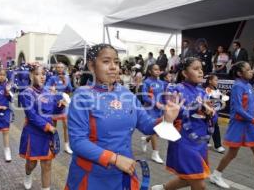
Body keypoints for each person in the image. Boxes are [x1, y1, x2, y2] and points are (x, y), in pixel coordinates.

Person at [64, 44, 183, 190]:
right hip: (91, 178)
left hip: (123, 175)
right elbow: (77, 142)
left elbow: (146, 125)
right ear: (91, 65)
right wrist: (114, 159)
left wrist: (166, 119)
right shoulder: (82, 96)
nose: (114, 67)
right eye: (106, 61)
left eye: (116, 62)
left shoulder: (126, 94)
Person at [152, 57, 216, 190]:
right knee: (199, 184)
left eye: (201, 69)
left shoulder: (202, 91)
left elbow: (212, 117)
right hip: (184, 141)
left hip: (200, 142)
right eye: (195, 69)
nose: (200, 72)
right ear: (185, 73)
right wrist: (196, 108)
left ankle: (161, 189)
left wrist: (211, 113)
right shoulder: (175, 89)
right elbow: (172, 113)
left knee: (188, 178)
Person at [209, 61, 254, 189]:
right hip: (238, 125)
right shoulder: (238, 86)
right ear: (239, 73)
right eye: (248, 69)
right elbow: (238, 108)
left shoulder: (248, 85)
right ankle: (216, 175)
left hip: (249, 125)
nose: (251, 71)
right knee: (232, 154)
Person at [19, 64, 66, 190]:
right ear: (31, 75)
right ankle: (28, 174)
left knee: (47, 165)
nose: (42, 77)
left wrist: (60, 105)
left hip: (47, 134)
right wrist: (47, 126)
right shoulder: (26, 93)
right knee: (31, 164)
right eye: (38, 74)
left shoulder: (47, 91)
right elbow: (32, 115)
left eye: (43, 74)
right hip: (33, 133)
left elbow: (52, 110)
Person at [46, 62, 74, 154]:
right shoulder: (52, 78)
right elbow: (46, 88)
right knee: (53, 125)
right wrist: (53, 90)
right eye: (58, 67)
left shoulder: (67, 78)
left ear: (64, 68)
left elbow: (70, 89)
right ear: (55, 69)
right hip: (54, 104)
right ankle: (52, 143)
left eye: (61, 67)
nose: (60, 69)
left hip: (64, 104)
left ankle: (66, 145)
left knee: (66, 125)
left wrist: (67, 83)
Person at [141, 64, 166, 164]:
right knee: (154, 130)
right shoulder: (146, 82)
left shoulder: (162, 82)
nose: (157, 71)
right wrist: (155, 103)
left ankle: (146, 139)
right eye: (155, 69)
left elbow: (163, 96)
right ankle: (155, 153)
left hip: (160, 110)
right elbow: (144, 97)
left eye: (159, 69)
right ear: (150, 71)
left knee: (158, 131)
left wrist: (165, 105)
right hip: (150, 109)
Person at [204, 74, 226, 153]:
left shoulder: (217, 90)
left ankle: (206, 141)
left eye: (217, 80)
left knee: (212, 126)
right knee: (213, 126)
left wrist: (222, 100)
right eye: (215, 80)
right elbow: (208, 99)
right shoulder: (208, 90)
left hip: (216, 111)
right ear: (210, 81)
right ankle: (218, 145)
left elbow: (222, 98)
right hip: (209, 111)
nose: (217, 81)